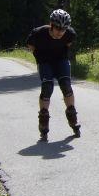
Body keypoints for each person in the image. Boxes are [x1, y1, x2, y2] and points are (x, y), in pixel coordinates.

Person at [26, 9, 81, 139]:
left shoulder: (70, 34)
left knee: (66, 86)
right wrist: (40, 58)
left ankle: (73, 118)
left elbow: (68, 44)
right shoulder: (38, 33)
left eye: (63, 29)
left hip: (61, 61)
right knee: (47, 88)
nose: (60, 32)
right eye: (57, 28)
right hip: (45, 62)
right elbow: (30, 46)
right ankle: (43, 121)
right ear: (51, 24)